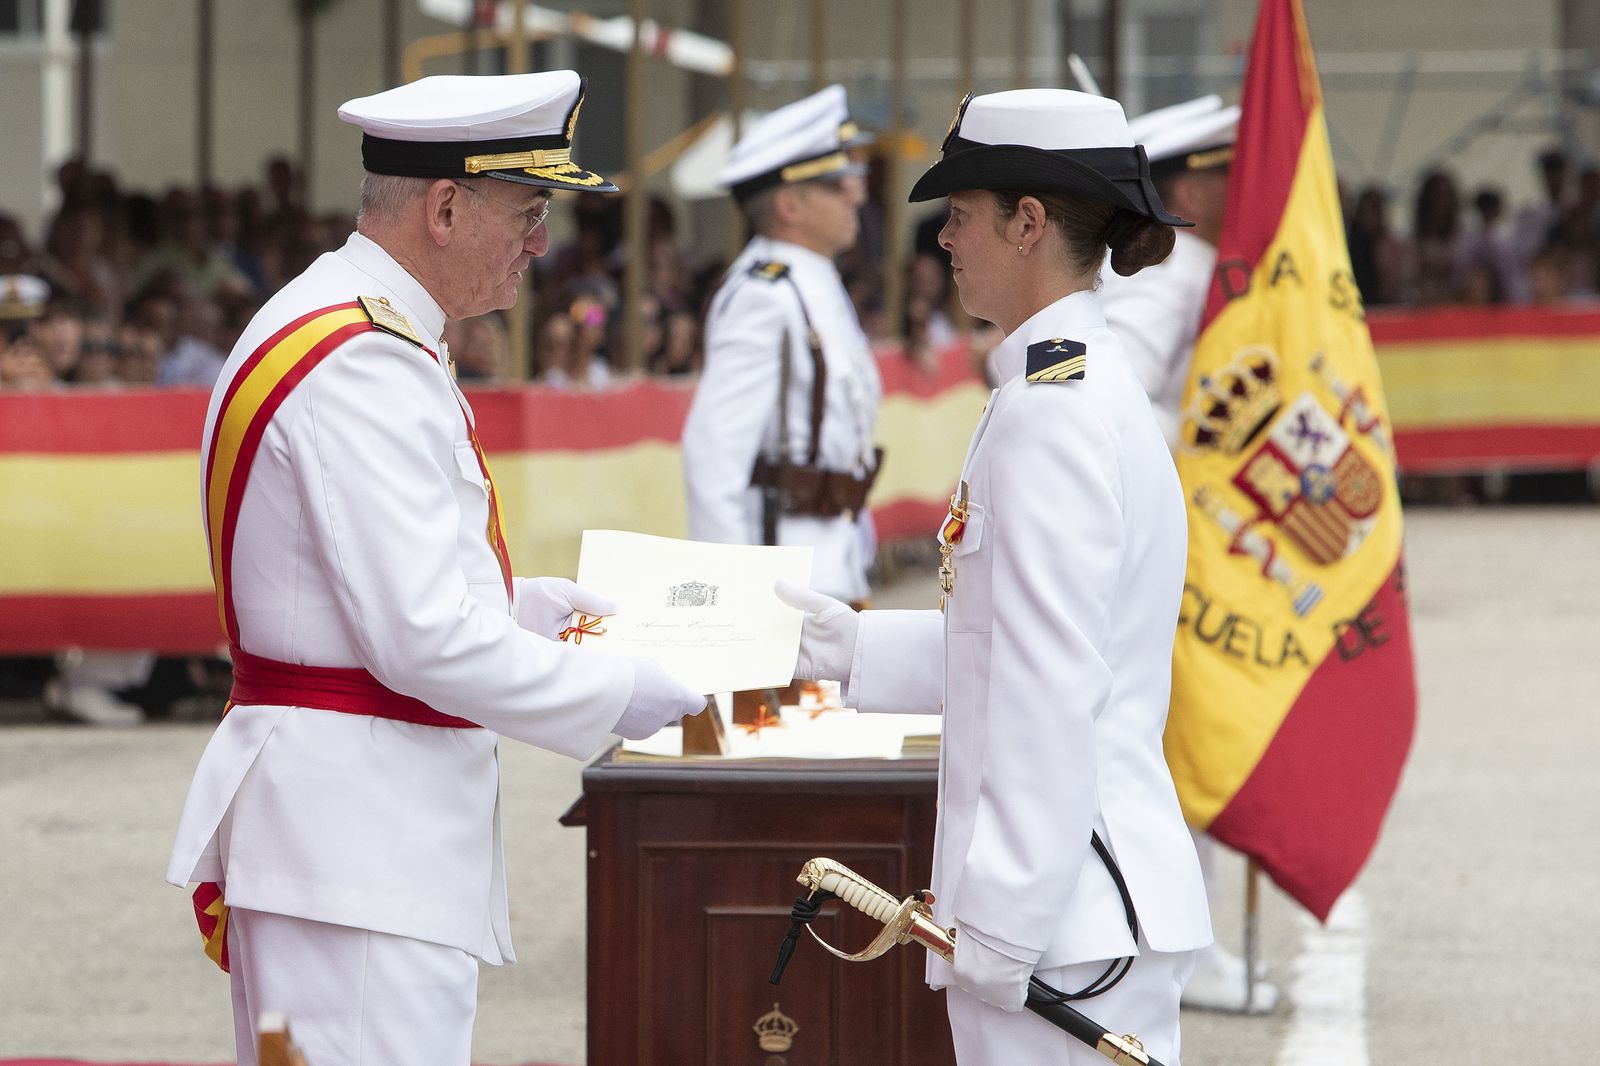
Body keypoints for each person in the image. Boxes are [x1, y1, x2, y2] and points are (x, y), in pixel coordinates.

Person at [165, 71, 705, 1066]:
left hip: (354, 831)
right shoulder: (360, 354)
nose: (542, 244)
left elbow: (363, 591)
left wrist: (523, 610)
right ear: (446, 208)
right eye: (530, 211)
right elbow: (419, 635)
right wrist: (621, 690)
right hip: (357, 838)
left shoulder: (357, 325)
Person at [779, 88, 1211, 1063]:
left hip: (1063, 919)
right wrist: (839, 645)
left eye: (961, 213)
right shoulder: (1069, 383)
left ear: (1028, 224)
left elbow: (1047, 685)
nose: (943, 238)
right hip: (1081, 903)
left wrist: (1003, 923)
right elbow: (1018, 642)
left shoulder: (1050, 411)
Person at [1098, 96, 1279, 1014]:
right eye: (1215, 172)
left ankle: (1184, 941)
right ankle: (1183, 947)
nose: (1231, 186)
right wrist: (1212, 453)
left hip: (1172, 532)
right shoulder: (1181, 270)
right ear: (1183, 187)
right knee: (1174, 740)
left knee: (1175, 736)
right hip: (1165, 532)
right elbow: (1117, 398)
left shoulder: (1189, 265)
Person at [681, 84, 883, 606]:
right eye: (839, 183)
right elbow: (715, 459)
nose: (858, 193)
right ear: (790, 204)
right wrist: (733, 607)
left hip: (832, 567)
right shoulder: (763, 293)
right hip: (782, 588)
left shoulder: (812, 279)